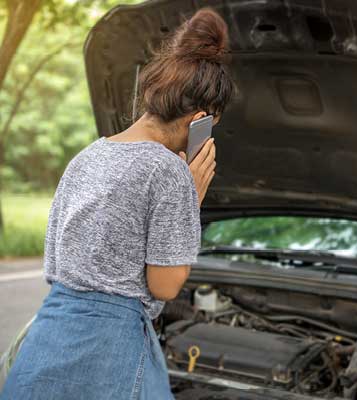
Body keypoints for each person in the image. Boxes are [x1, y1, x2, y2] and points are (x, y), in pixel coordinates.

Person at [0, 7, 234, 400]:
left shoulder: (88, 156)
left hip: (49, 335)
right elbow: (164, 284)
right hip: (106, 351)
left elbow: (57, 257)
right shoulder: (168, 171)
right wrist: (189, 202)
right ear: (200, 119)